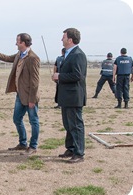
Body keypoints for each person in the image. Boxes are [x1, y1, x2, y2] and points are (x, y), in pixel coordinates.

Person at [0, 33, 40, 155]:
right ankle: (22, 143)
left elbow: (35, 82)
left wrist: (32, 99)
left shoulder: (33, 58)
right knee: (17, 119)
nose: (15, 43)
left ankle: (33, 146)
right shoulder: (19, 55)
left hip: (30, 97)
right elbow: (6, 58)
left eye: (17, 41)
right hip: (20, 95)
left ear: (23, 43)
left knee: (34, 121)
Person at [52, 28, 87, 164]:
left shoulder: (78, 55)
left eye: (64, 37)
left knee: (76, 125)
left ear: (70, 39)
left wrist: (60, 76)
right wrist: (58, 78)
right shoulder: (68, 54)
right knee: (68, 124)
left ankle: (79, 153)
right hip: (66, 96)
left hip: (74, 97)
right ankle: (71, 148)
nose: (62, 39)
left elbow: (78, 75)